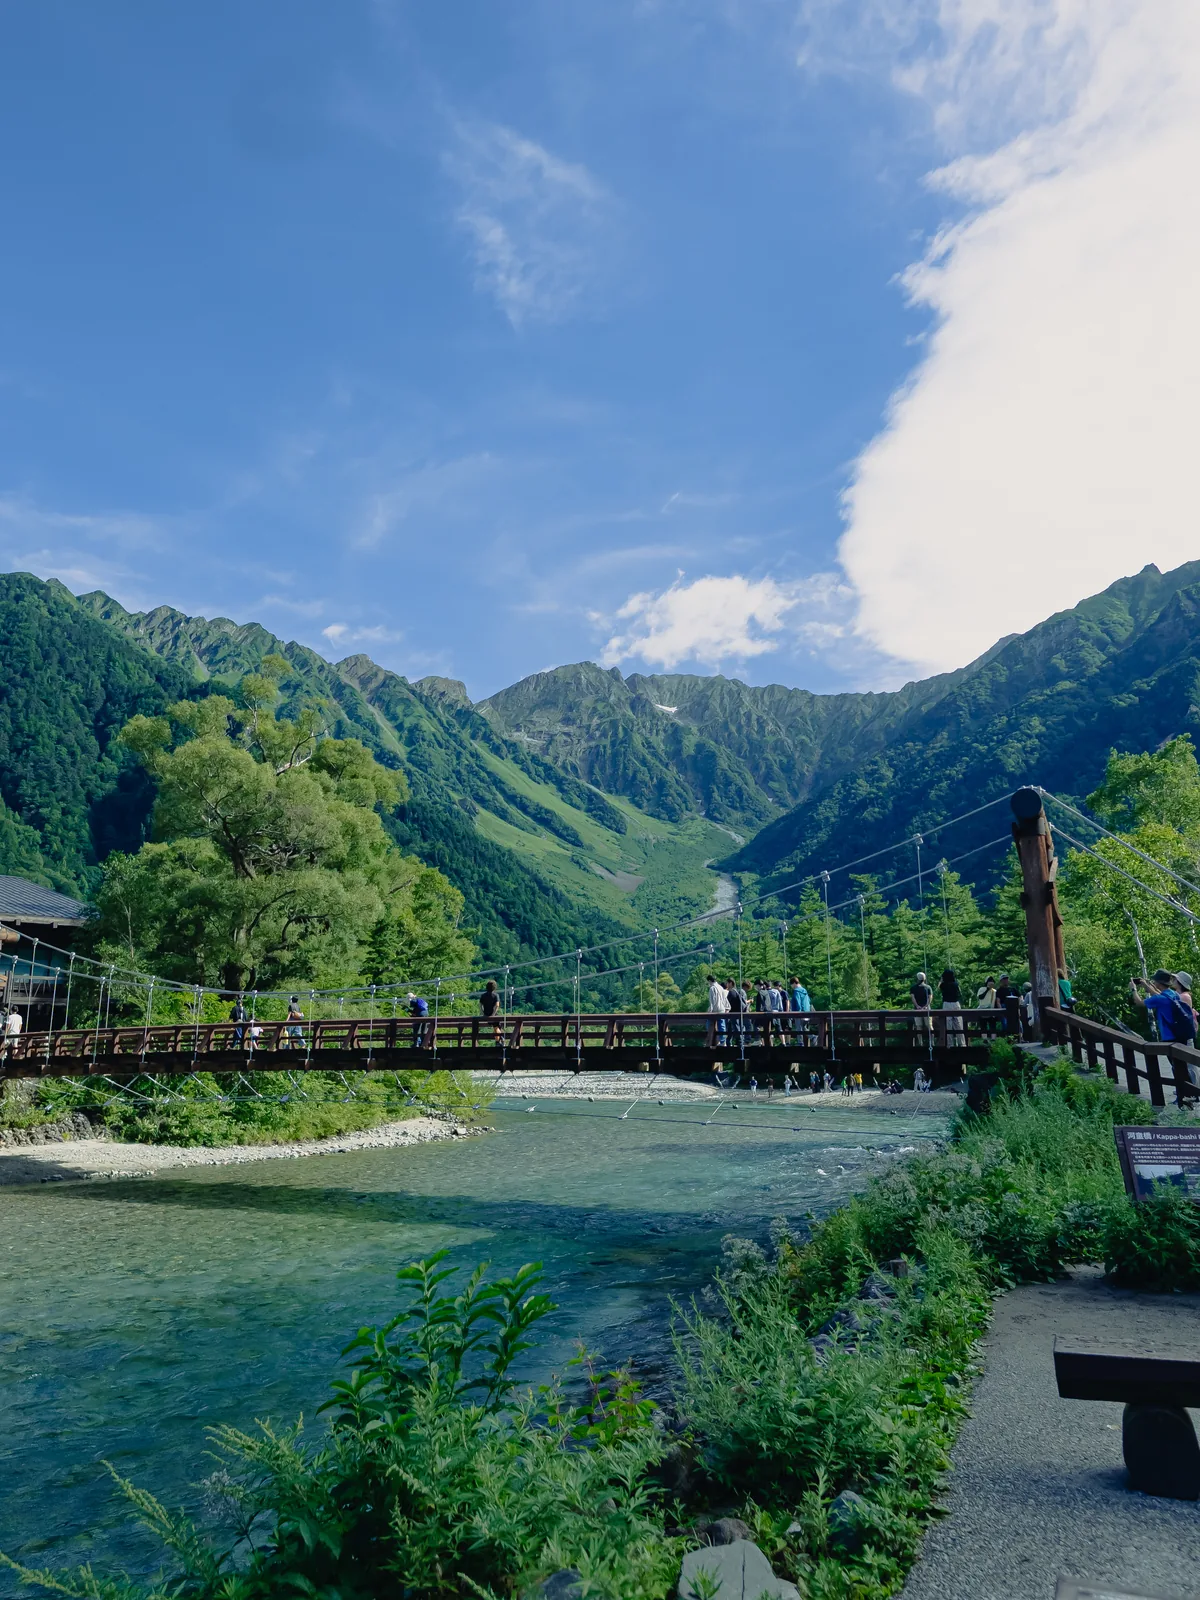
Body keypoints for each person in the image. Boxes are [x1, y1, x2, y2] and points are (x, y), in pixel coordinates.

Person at [1131, 970, 1196, 1043]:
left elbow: (1138, 1002)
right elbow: (1161, 996)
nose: (1154, 982)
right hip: (1179, 1035)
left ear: (1159, 983)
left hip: (1169, 1038)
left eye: (1155, 981)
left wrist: (1133, 989)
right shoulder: (1174, 993)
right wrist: (1147, 985)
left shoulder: (1159, 999)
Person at [940, 968, 964, 1044]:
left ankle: (950, 1044)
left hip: (947, 1004)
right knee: (958, 1024)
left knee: (948, 1025)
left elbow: (939, 987)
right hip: (955, 1003)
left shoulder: (943, 985)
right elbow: (960, 993)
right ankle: (962, 1043)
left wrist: (941, 980)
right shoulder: (955, 984)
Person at [706, 972, 729, 1046]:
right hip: (722, 1008)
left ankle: (710, 1039)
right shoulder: (720, 987)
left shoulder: (712, 988)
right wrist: (727, 1008)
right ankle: (723, 1041)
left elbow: (712, 1001)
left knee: (709, 1023)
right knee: (722, 1025)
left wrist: (710, 1011)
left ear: (709, 981)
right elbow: (724, 999)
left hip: (715, 1009)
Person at [911, 971, 933, 1045]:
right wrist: (926, 1006)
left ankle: (920, 1043)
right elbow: (930, 998)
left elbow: (913, 998)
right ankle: (932, 1042)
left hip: (917, 1009)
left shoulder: (913, 988)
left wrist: (917, 1006)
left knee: (918, 1026)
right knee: (929, 1026)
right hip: (926, 1009)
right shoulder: (928, 987)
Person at [480, 978, 502, 1044]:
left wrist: (483, 1013)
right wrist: (493, 1014)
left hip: (486, 1014)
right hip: (493, 1015)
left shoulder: (483, 995)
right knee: (497, 1028)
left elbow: (480, 1005)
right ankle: (498, 1041)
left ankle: (499, 1039)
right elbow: (497, 1005)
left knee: (495, 1028)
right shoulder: (496, 995)